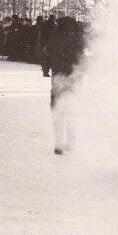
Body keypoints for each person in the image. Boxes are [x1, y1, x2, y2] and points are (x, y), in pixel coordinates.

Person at [49, 16, 85, 154]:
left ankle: (58, 143)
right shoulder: (78, 37)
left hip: (58, 77)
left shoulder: (55, 36)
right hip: (75, 77)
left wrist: (47, 69)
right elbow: (83, 58)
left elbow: (47, 54)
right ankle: (70, 142)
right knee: (72, 110)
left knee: (57, 110)